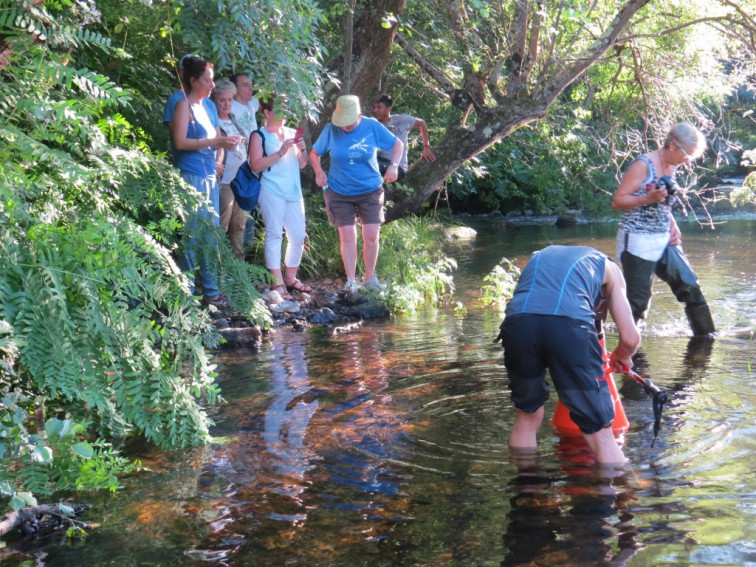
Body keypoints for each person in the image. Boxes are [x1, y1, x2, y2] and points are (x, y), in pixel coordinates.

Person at [496, 245, 641, 465]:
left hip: (518, 323)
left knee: (526, 415)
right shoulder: (610, 269)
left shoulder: (539, 256)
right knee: (599, 432)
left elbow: (537, 306)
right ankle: (610, 493)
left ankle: (527, 490)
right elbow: (631, 339)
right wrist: (622, 355)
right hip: (568, 326)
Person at [611, 123, 715, 337]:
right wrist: (646, 198)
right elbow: (618, 201)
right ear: (671, 145)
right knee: (638, 304)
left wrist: (672, 223)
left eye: (691, 157)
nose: (688, 160)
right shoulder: (643, 165)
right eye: (687, 154)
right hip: (637, 240)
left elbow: (663, 202)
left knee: (691, 287)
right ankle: (630, 357)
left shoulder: (672, 166)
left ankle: (706, 340)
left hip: (664, 238)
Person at [310, 95, 403, 292]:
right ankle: (351, 280)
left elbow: (398, 145)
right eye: (341, 122)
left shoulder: (372, 127)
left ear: (359, 115)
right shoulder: (331, 130)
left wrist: (394, 166)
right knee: (348, 236)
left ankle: (370, 278)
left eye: (349, 123)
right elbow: (314, 153)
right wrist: (318, 171)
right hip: (339, 191)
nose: (344, 126)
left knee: (371, 236)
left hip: (370, 190)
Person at [169, 55, 243, 306]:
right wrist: (216, 143)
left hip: (211, 175)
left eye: (211, 80)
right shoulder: (183, 105)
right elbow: (180, 142)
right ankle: (185, 294)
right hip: (191, 176)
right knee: (192, 233)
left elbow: (216, 136)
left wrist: (224, 148)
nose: (212, 85)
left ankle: (211, 291)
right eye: (207, 80)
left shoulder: (208, 107)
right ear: (193, 81)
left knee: (211, 234)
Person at [249, 94, 310, 299]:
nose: (283, 114)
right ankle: (277, 283)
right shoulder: (259, 136)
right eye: (279, 110)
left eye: (285, 110)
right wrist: (280, 152)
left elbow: (302, 165)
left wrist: (301, 151)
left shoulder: (292, 133)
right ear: (266, 113)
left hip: (294, 191)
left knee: (299, 236)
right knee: (275, 235)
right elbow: (255, 165)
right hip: (271, 190)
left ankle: (291, 278)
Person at [211, 79, 248, 260]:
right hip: (224, 181)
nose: (226, 104)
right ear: (215, 100)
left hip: (240, 180)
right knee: (222, 225)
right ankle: (216, 268)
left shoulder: (233, 119)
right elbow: (210, 147)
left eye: (229, 100)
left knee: (239, 226)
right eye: (222, 100)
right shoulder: (212, 121)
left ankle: (238, 268)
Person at [371, 93, 435, 181]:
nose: (375, 110)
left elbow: (422, 123)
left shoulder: (400, 120)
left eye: (379, 107)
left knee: (371, 166)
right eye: (374, 107)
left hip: (397, 166)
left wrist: (426, 147)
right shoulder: (375, 126)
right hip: (381, 160)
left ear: (388, 109)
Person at [230, 73, 261, 254]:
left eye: (251, 85)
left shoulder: (251, 104)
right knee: (228, 219)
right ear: (235, 89)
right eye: (245, 85)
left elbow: (268, 89)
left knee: (245, 217)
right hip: (232, 169)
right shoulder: (229, 106)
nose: (250, 89)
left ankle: (243, 261)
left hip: (249, 169)